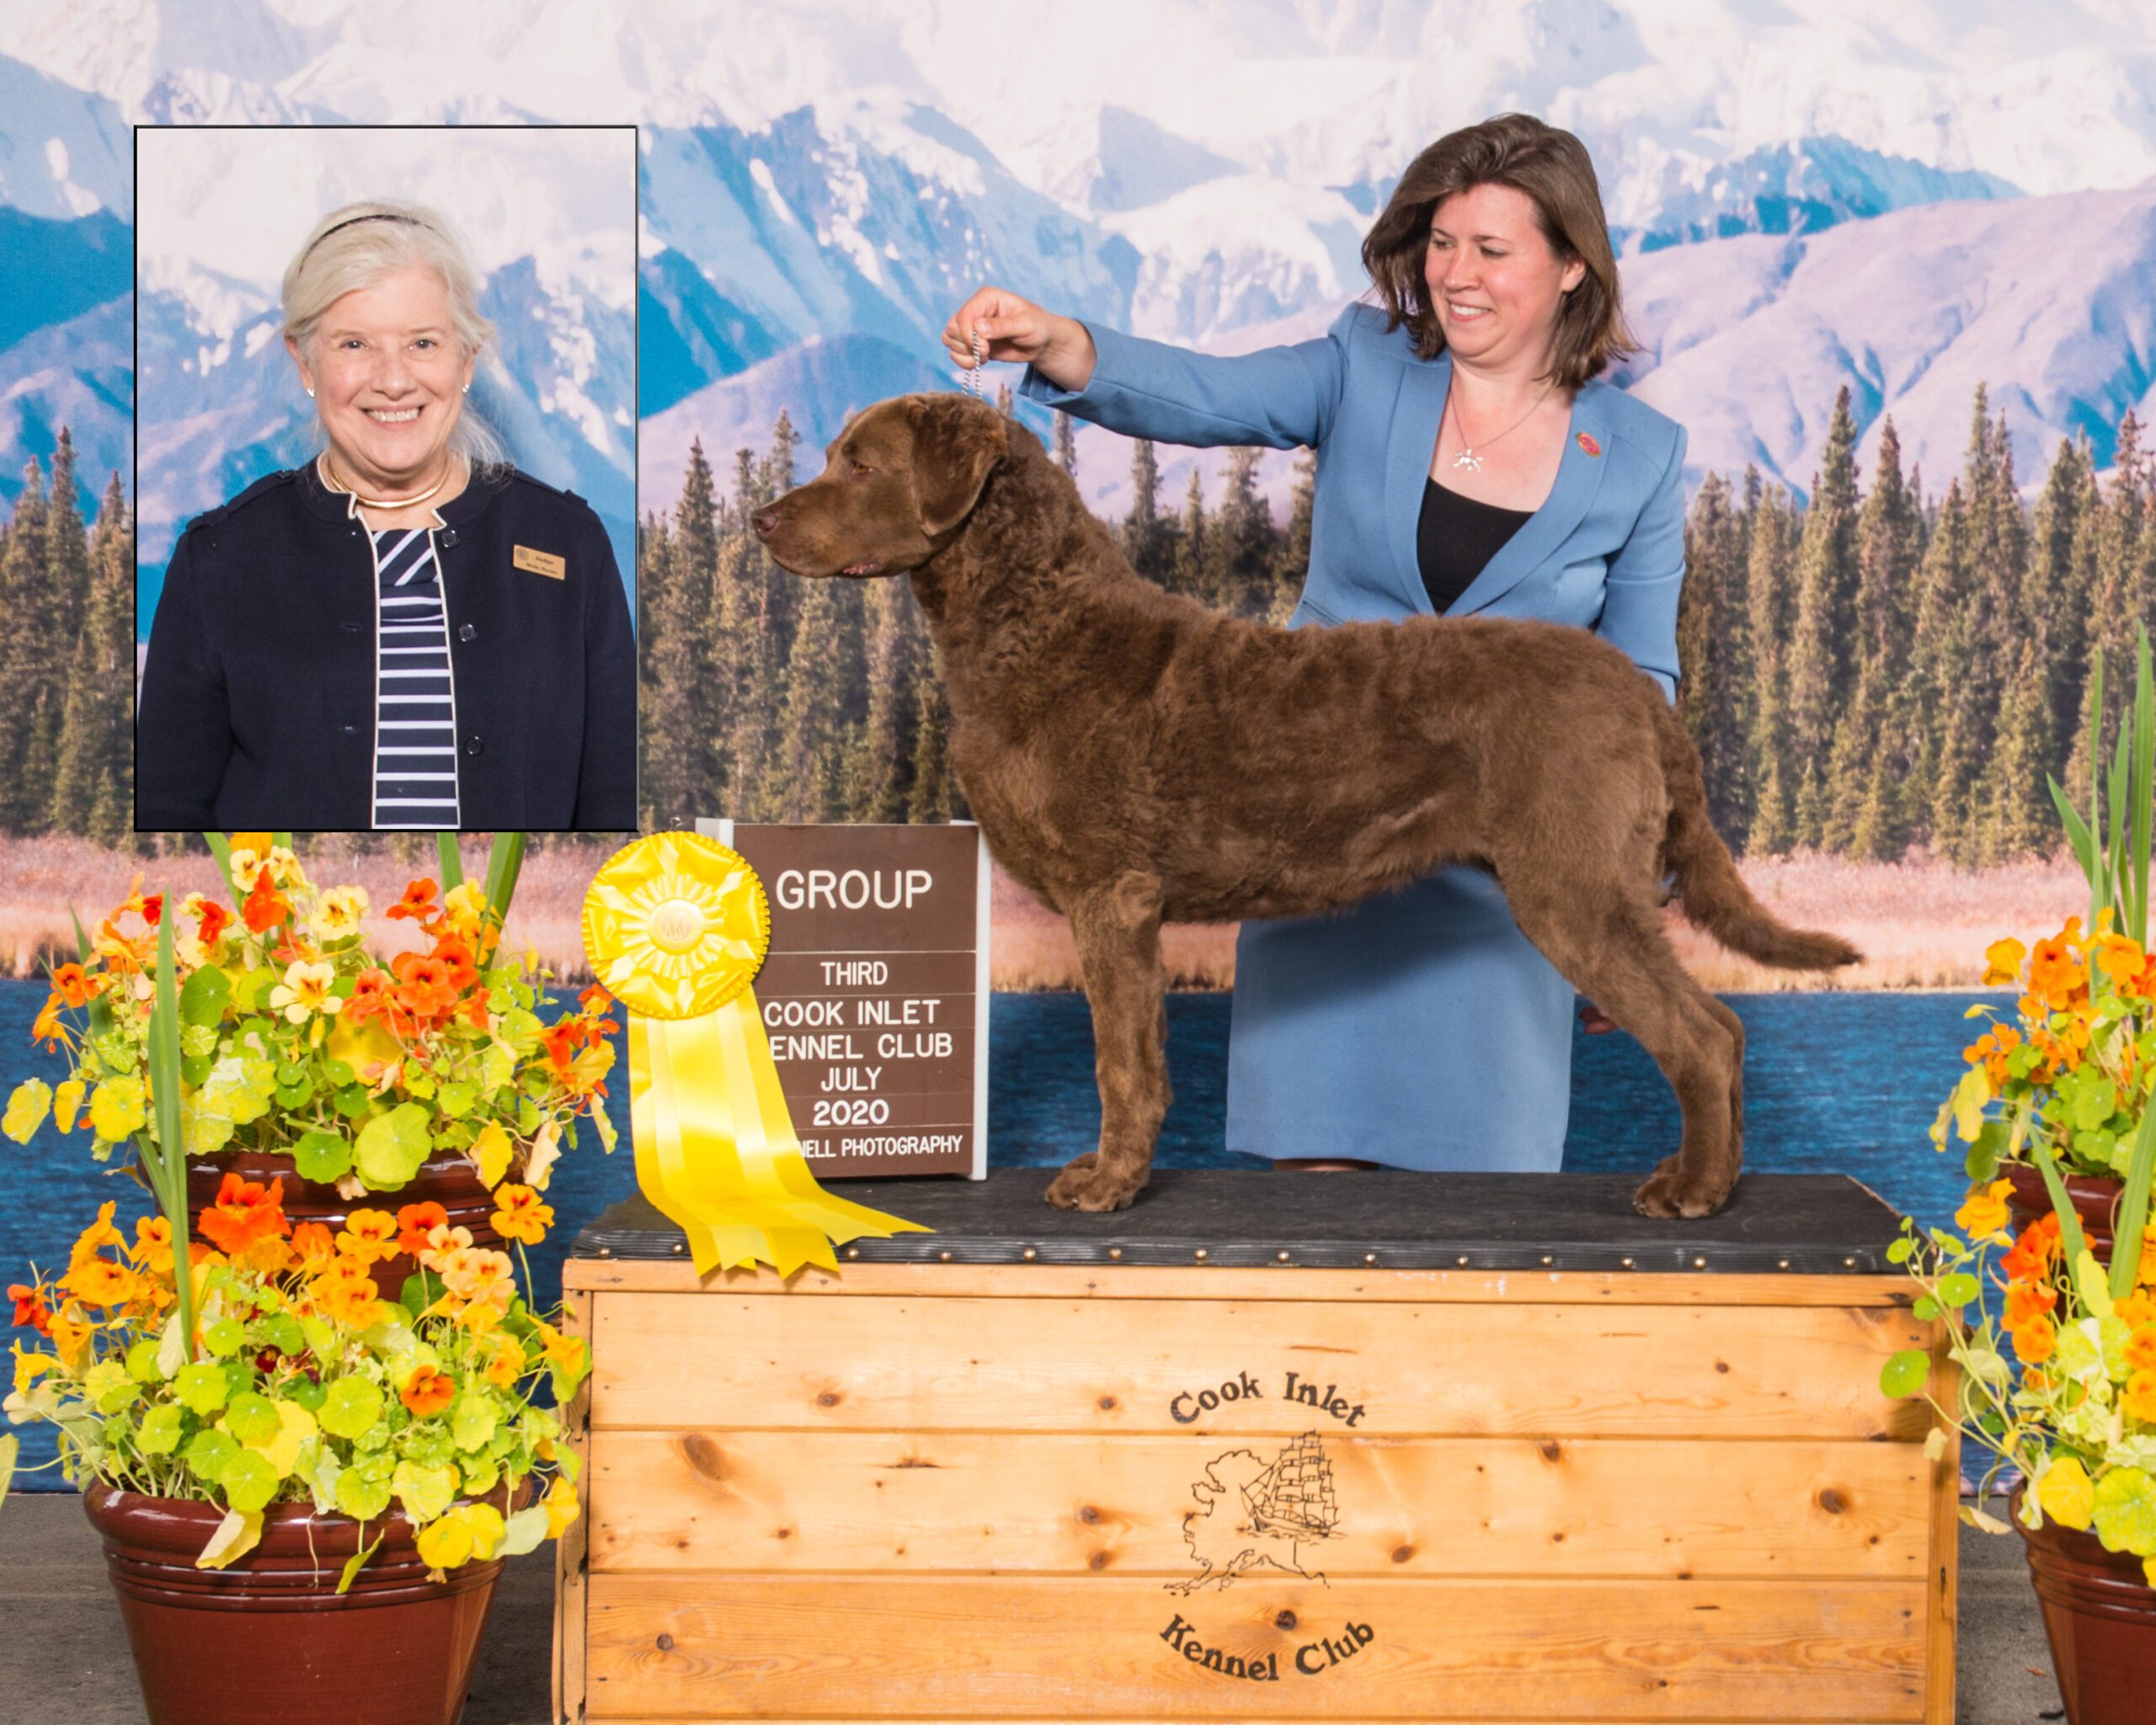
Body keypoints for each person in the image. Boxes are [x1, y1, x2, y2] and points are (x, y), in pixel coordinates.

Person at [944, 114, 1684, 1175]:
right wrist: (1061, 344)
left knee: (1483, 1229)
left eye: (1491, 249)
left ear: (1573, 265)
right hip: (1310, 843)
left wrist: (1631, 875)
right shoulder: (1364, 362)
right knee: (1312, 1215)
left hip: (1498, 894)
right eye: (1441, 243)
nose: (1455, 274)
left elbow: (1639, 682)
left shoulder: (1643, 455)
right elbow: (1206, 393)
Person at [136, 200, 635, 832]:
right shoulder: (220, 559)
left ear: (467, 360)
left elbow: (615, 807)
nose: (393, 381)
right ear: (305, 362)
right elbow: (167, 819)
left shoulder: (567, 545)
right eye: (355, 344)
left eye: (423, 343)